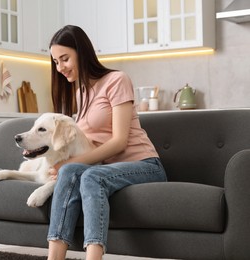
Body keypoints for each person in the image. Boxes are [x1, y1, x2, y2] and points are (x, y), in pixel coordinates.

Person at [46, 25, 167, 260]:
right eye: (56, 62)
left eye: (65, 59)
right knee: (71, 171)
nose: (60, 68)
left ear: (82, 52)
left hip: (145, 165)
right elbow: (88, 145)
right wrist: (62, 166)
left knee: (89, 175)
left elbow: (119, 142)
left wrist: (72, 163)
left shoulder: (116, 80)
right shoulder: (80, 92)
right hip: (109, 169)